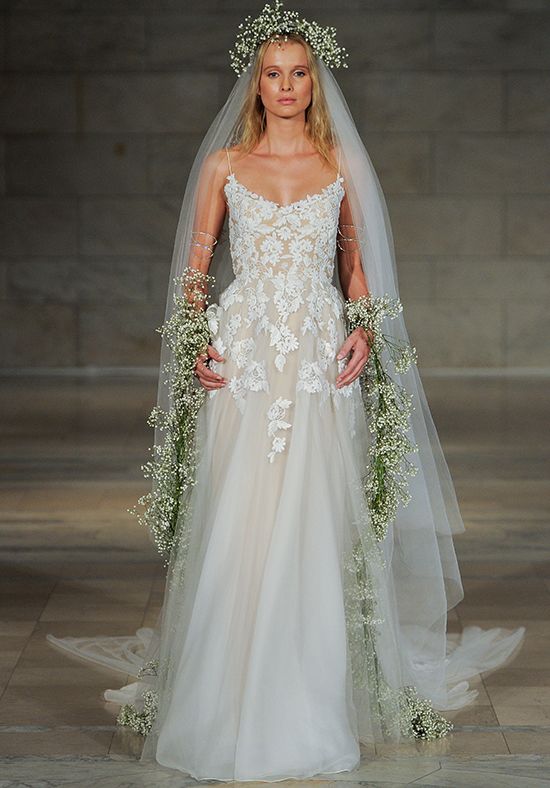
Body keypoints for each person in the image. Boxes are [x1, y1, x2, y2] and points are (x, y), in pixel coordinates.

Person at [48, 1, 525, 781]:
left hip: (314, 358)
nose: (287, 85)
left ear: (314, 81)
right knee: (240, 515)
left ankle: (304, 698)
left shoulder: (339, 166)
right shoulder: (224, 166)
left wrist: (362, 328)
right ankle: (222, 694)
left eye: (299, 73)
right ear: (256, 83)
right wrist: (197, 344)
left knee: (311, 516)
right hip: (244, 358)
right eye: (273, 73)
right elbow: (195, 272)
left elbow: (354, 265)